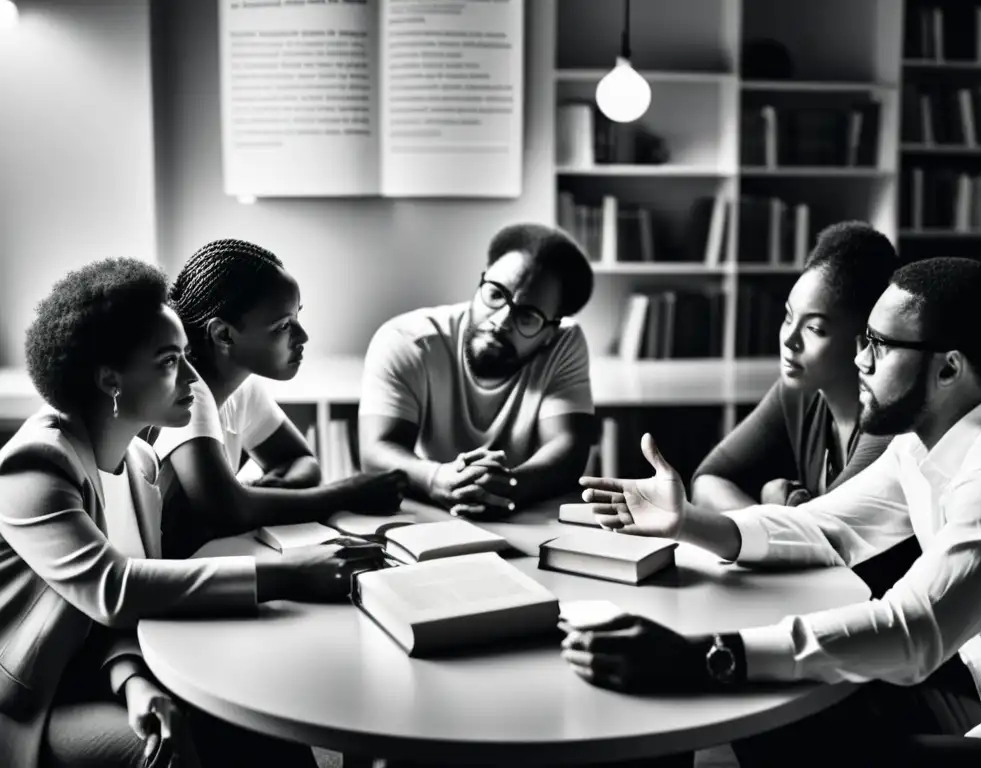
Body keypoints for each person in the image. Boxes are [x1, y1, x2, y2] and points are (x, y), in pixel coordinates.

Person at [564, 257, 981, 765]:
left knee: (776, 719)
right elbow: (824, 526)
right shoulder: (917, 446)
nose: (859, 361)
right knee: (769, 709)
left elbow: (911, 629)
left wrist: (711, 654)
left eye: (881, 345)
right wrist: (688, 521)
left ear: (949, 368)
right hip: (975, 695)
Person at [0, 258, 383, 768]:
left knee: (258, 716)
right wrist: (287, 574)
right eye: (168, 361)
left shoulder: (139, 464)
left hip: (108, 672)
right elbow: (113, 591)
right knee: (171, 752)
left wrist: (133, 683)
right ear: (111, 380)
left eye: (186, 355)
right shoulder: (37, 465)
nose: (192, 376)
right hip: (40, 700)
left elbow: (108, 624)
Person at [151, 239, 407, 558]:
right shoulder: (188, 393)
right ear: (224, 335)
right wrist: (348, 493)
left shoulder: (241, 389)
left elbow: (302, 462)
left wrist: (256, 496)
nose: (302, 337)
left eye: (297, 317)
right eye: (283, 325)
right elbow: (227, 511)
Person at [359, 223, 596, 519]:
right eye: (496, 293)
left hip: (522, 515)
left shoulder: (564, 343)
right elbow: (375, 452)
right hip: (425, 515)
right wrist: (436, 479)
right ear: (480, 282)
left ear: (550, 332)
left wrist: (510, 485)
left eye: (527, 315)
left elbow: (567, 448)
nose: (501, 320)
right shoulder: (406, 340)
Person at [693, 222, 897, 510]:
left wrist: (777, 501)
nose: (789, 340)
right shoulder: (799, 393)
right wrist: (775, 512)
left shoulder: (888, 425)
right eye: (789, 317)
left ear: (866, 340)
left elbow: (821, 532)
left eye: (814, 329)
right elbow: (707, 482)